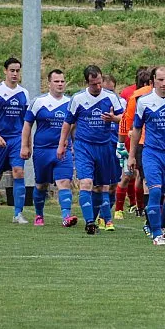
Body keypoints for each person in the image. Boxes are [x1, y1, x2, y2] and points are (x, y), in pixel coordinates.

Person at [57, 65, 124, 234]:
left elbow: (123, 118)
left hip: (105, 146)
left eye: (100, 83)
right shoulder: (78, 98)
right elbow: (68, 122)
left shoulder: (111, 97)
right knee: (86, 183)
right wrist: (62, 144)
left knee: (101, 187)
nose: (98, 87)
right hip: (84, 146)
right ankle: (89, 223)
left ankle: (94, 218)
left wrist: (114, 118)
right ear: (87, 82)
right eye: (94, 84)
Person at [128, 66, 165, 246]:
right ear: (153, 80)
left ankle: (159, 225)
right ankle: (156, 234)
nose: (163, 83)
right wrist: (131, 155)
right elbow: (137, 129)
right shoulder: (144, 101)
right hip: (151, 152)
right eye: (160, 79)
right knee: (154, 190)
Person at [20, 69, 78, 228]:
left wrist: (75, 145)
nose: (60, 84)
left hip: (63, 150)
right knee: (41, 185)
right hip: (42, 150)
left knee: (64, 182)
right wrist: (25, 146)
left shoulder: (71, 102)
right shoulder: (39, 101)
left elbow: (73, 127)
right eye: (56, 81)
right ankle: (39, 214)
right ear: (49, 83)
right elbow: (27, 125)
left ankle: (66, 216)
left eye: (62, 81)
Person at [0, 57, 30, 224]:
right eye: (12, 70)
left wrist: (26, 143)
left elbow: (27, 122)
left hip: (17, 138)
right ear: (5, 71)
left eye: (17, 71)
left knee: (18, 172)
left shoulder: (24, 93)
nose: (15, 74)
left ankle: (18, 214)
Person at [118, 68, 154, 231]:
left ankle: (144, 209)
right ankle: (146, 214)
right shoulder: (136, 96)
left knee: (145, 179)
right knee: (143, 179)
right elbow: (126, 119)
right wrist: (121, 143)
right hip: (143, 142)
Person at [100, 74, 127, 227]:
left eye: (111, 90)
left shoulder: (120, 103)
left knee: (113, 184)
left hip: (116, 146)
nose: (109, 93)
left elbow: (127, 120)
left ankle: (105, 211)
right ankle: (105, 217)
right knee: (102, 183)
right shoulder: (96, 101)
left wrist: (115, 118)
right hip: (101, 146)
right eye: (105, 90)